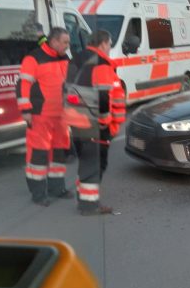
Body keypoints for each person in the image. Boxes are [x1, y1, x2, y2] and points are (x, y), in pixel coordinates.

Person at [63, 30, 126, 216]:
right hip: (95, 123)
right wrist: (106, 122)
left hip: (77, 120)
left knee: (86, 161)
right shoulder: (100, 63)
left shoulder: (76, 58)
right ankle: (89, 205)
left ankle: (84, 199)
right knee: (96, 164)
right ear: (103, 43)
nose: (110, 47)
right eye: (109, 44)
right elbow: (103, 95)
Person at [17, 27, 73, 206]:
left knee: (58, 153)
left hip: (60, 116)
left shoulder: (64, 57)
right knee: (38, 156)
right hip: (40, 115)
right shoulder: (33, 58)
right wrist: (25, 110)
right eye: (65, 42)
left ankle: (57, 189)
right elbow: (23, 85)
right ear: (54, 41)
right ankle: (38, 194)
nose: (67, 46)